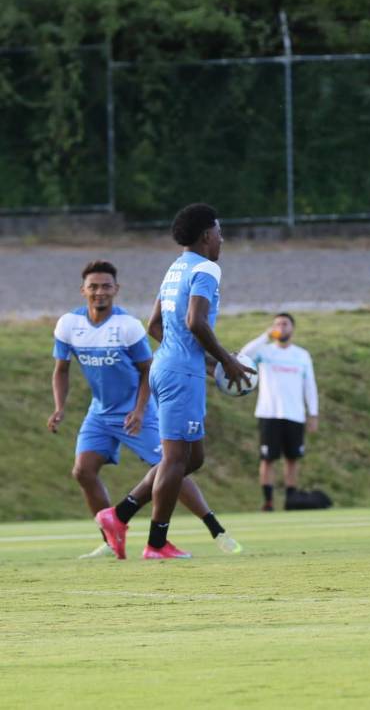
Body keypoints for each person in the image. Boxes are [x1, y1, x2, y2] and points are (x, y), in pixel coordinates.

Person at [50, 260, 241, 559]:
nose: (100, 292)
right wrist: (60, 407)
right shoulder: (68, 326)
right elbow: (61, 370)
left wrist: (139, 410)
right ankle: (114, 536)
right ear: (83, 290)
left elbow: (146, 370)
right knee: (83, 471)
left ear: (116, 289)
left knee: (175, 464)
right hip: (99, 413)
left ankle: (212, 525)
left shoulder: (126, 327)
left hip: (137, 411)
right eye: (94, 286)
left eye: (106, 287)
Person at [95, 204, 254, 560]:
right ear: (205, 236)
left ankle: (118, 515)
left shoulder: (174, 269)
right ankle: (156, 544)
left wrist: (210, 361)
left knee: (190, 458)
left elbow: (156, 325)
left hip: (173, 367)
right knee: (176, 458)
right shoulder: (207, 268)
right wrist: (227, 359)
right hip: (180, 373)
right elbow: (196, 322)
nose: (222, 239)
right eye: (219, 231)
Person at [241, 313, 319, 511]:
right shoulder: (265, 352)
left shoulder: (301, 355)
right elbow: (244, 355)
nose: (280, 327)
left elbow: (310, 385)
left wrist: (313, 413)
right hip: (269, 413)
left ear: (292, 328)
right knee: (267, 459)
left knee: (292, 458)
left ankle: (291, 500)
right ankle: (268, 501)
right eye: (277, 324)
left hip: (295, 414)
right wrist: (265, 336)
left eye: (284, 324)